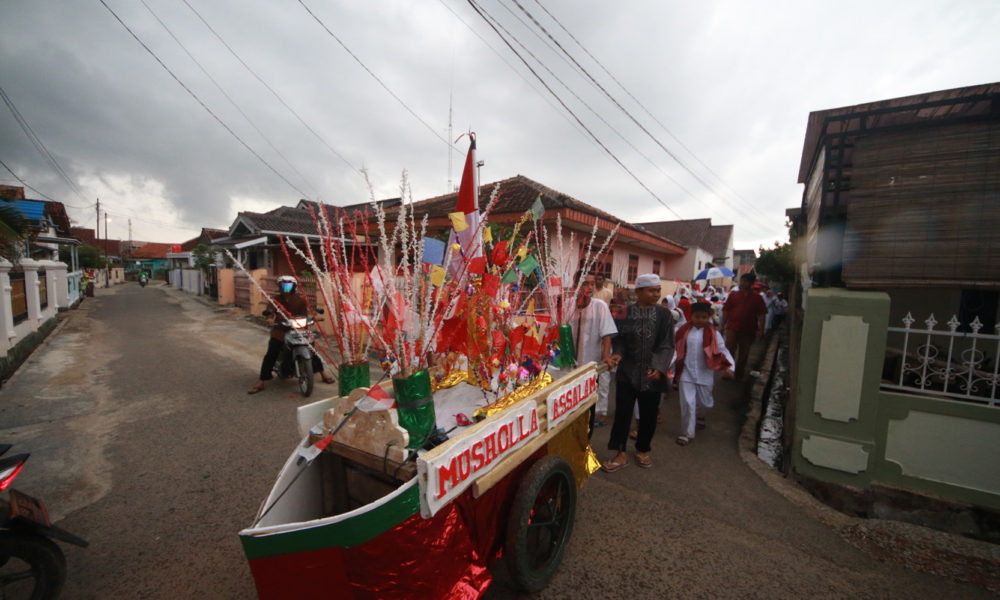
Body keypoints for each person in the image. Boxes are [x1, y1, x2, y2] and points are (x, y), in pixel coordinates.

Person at [603, 273, 674, 472]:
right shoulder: (624, 313)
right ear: (639, 292)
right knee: (622, 414)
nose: (656, 294)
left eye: (658, 290)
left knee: (649, 415)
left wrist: (659, 367)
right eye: (652, 290)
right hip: (627, 372)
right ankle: (620, 453)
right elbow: (619, 340)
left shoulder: (664, 315)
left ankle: (643, 449)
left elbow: (667, 345)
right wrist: (617, 354)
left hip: (653, 374)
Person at [248, 275, 335, 394]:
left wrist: (309, 320)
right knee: (272, 351)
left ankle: (323, 374)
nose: (286, 288)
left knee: (312, 349)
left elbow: (304, 315)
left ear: (294, 287)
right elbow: (270, 311)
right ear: (280, 286)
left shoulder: (300, 300)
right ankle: (262, 380)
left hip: (298, 329)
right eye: (284, 285)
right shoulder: (275, 299)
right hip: (281, 329)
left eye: (289, 285)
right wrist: (270, 318)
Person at [673, 303, 735, 446]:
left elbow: (722, 350)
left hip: (705, 373)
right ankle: (687, 433)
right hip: (686, 373)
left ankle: (701, 416)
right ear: (691, 316)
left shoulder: (714, 333)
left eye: (703, 317)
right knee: (688, 403)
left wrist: (729, 367)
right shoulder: (683, 331)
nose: (700, 319)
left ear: (708, 317)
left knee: (705, 402)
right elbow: (675, 350)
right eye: (697, 316)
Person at [572, 272, 617, 434]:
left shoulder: (600, 306)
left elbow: (607, 334)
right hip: (570, 365)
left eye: (591, 284)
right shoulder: (569, 305)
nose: (589, 288)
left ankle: (586, 441)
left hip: (591, 364)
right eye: (585, 284)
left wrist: (605, 356)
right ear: (575, 285)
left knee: (589, 404)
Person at [721, 273, 767, 380]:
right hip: (732, 327)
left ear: (751, 283)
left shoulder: (757, 298)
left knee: (744, 353)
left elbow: (762, 315)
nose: (742, 283)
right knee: (729, 350)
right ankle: (728, 372)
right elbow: (726, 310)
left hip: (749, 329)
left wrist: (761, 330)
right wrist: (723, 325)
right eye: (742, 280)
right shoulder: (733, 295)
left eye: (745, 281)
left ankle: (739, 374)